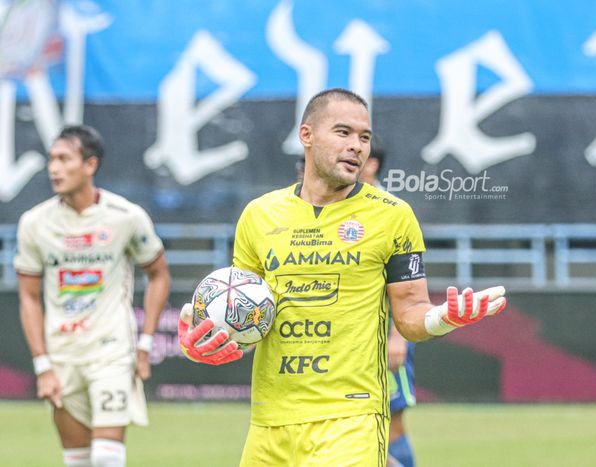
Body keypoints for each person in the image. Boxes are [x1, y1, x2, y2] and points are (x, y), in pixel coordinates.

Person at [178, 88, 506, 466]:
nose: (357, 146)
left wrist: (443, 318)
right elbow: (247, 318)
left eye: (364, 137)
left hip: (351, 417)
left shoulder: (393, 216)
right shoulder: (258, 215)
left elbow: (411, 312)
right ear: (307, 136)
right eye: (343, 132)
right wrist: (202, 342)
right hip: (270, 418)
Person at [15, 124, 171, 467]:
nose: (53, 168)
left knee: (105, 459)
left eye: (63, 159)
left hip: (111, 351)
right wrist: (42, 365)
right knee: (78, 460)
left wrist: (144, 344)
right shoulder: (34, 223)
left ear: (90, 165)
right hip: (61, 354)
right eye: (51, 159)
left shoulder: (126, 217)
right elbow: (28, 297)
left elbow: (159, 274)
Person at [359, 140, 416, 467]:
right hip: (344, 342)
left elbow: (408, 285)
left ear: (373, 164)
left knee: (392, 422)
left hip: (385, 336)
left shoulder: (393, 211)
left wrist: (398, 337)